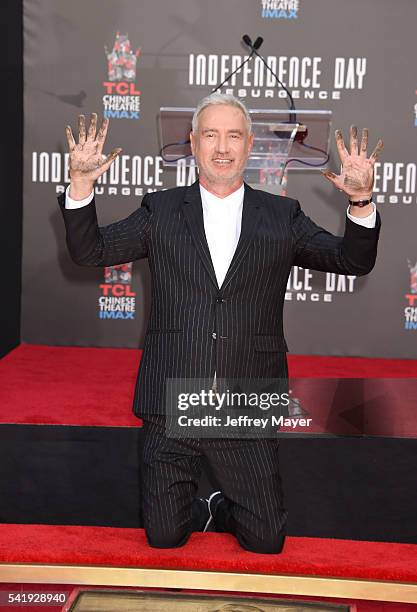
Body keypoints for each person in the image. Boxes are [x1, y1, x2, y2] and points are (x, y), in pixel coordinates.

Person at [58, 93, 382, 554]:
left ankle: (224, 505)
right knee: (165, 537)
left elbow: (351, 260)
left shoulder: (282, 215)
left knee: (266, 541)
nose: (222, 147)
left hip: (243, 404)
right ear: (193, 143)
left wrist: (361, 200)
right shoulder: (162, 210)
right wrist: (80, 186)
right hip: (172, 402)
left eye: (233, 136)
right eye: (210, 135)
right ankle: (195, 504)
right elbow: (91, 251)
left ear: (250, 145)